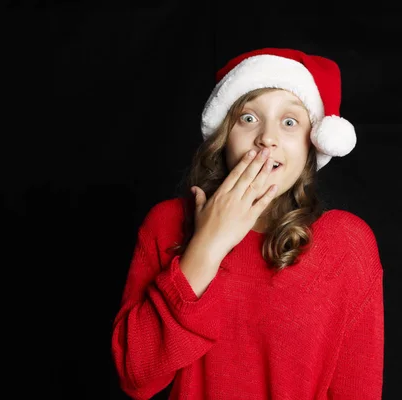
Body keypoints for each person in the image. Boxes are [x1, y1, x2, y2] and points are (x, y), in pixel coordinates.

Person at [111, 48, 384, 399]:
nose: (266, 138)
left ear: (310, 145)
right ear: (225, 136)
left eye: (289, 122)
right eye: (249, 118)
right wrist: (207, 246)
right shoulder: (167, 223)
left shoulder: (347, 244)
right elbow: (137, 376)